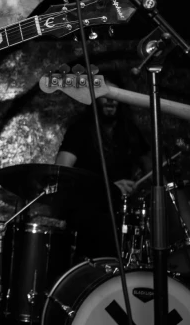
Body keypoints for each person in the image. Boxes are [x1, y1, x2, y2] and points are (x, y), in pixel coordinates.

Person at [54, 81, 151, 259]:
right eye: (105, 95)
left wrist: (140, 185)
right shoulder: (80, 130)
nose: (110, 100)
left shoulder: (129, 131)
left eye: (115, 96)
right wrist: (107, 188)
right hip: (88, 215)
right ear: (94, 99)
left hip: (123, 214)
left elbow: (151, 168)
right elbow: (61, 172)